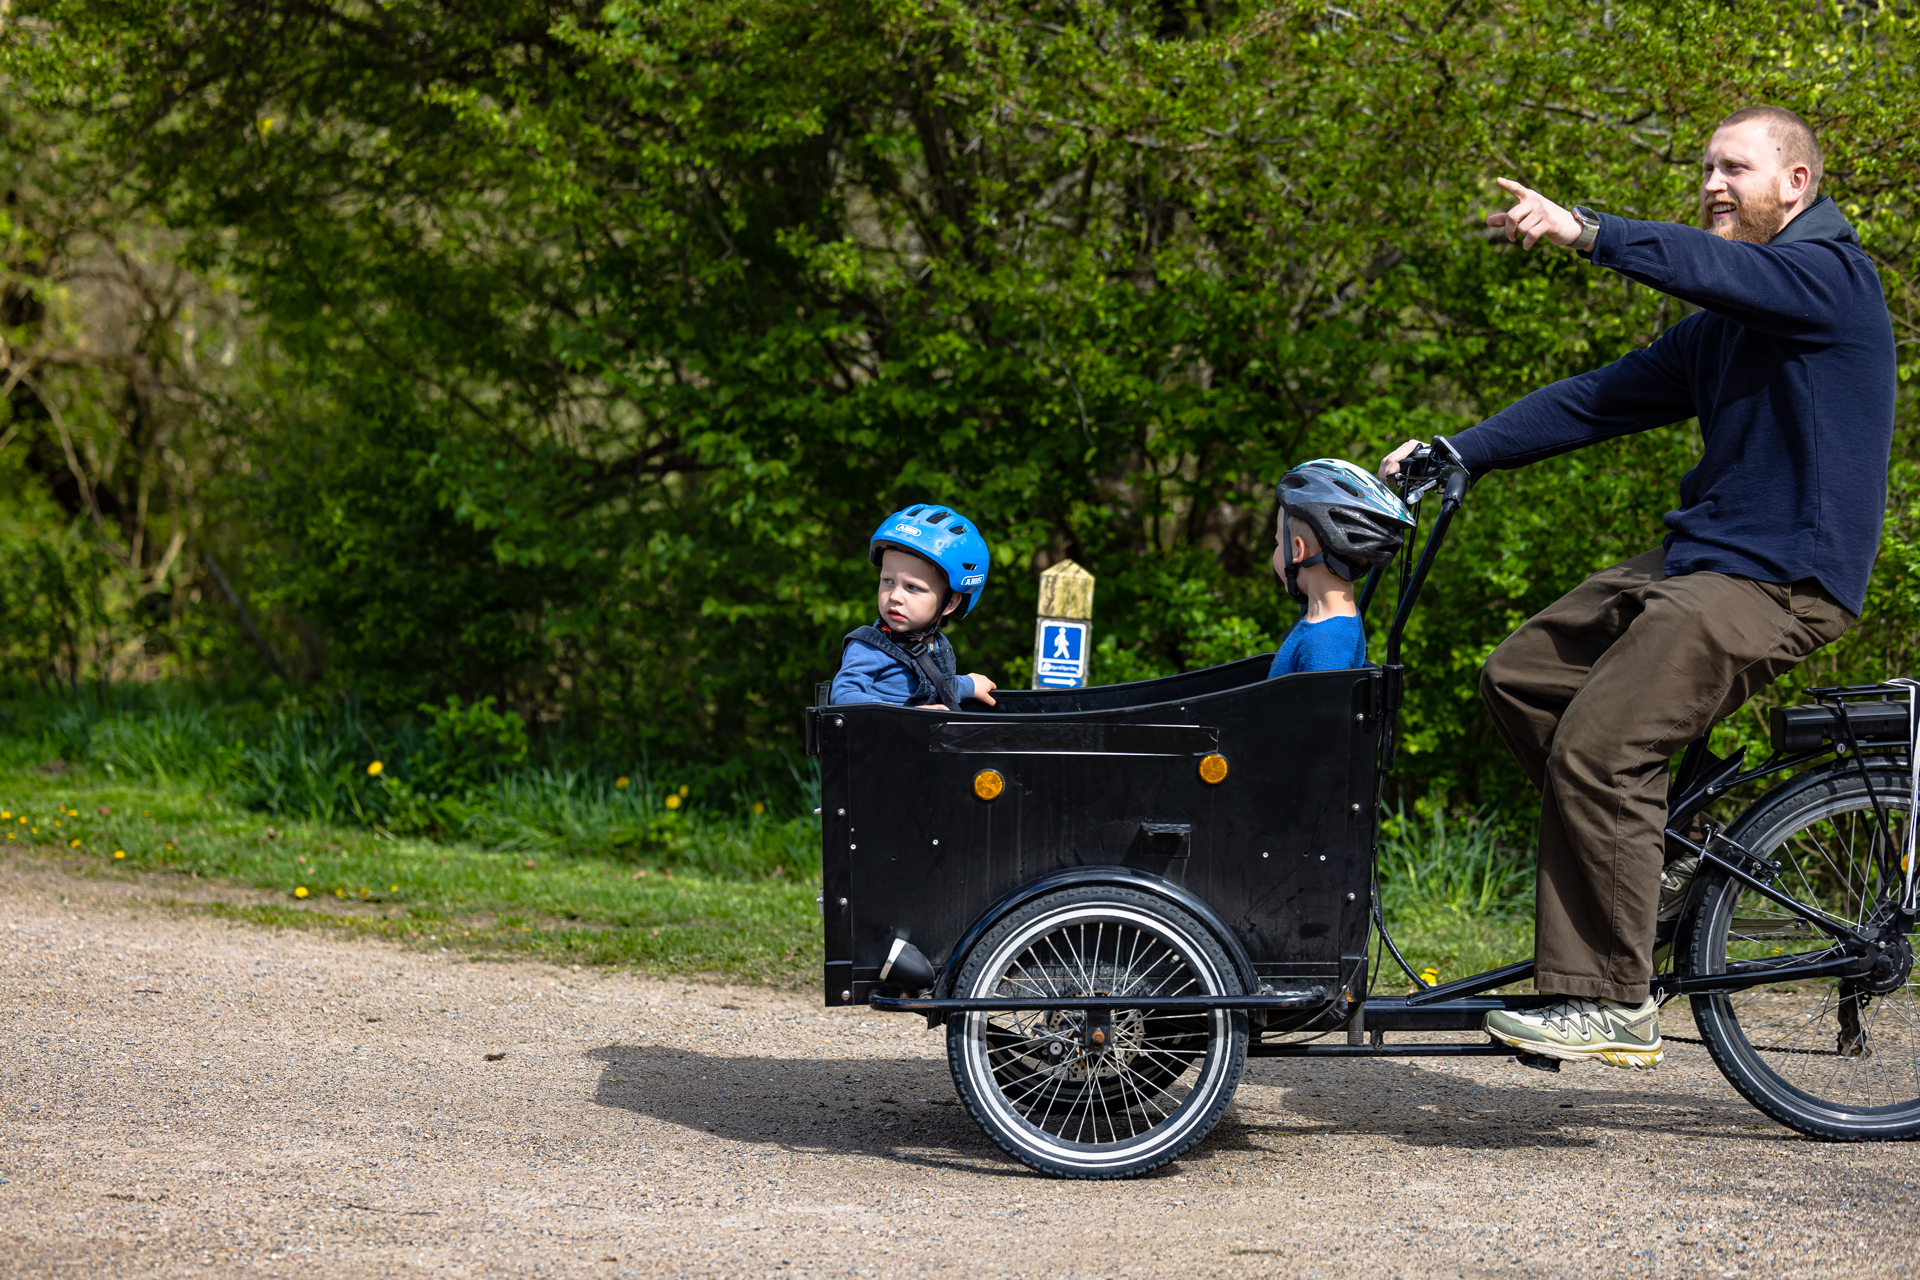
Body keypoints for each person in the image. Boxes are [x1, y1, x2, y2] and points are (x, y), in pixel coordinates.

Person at [1380, 106, 1895, 1068]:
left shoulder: (1831, 279)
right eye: (1705, 167)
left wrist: (1589, 231)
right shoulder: (1726, 330)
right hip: (1707, 561)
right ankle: (1672, 849)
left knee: (1601, 748)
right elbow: (1599, 399)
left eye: (1733, 168)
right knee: (1523, 676)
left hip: (1783, 576)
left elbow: (1719, 269)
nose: (1711, 183)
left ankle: (1609, 1000)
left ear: (1796, 184)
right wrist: (1461, 451)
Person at [829, 504, 998, 710]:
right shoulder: (870, 648)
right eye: (888, 581)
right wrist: (908, 716)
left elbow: (936, 685)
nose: (895, 596)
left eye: (912, 587)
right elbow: (843, 695)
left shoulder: (937, 644)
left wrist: (968, 686)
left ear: (951, 602)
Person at [1268, 459, 1414, 676]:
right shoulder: (1323, 626)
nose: (1276, 550)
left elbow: (1322, 708)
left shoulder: (1325, 643)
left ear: (1298, 550)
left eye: (1278, 542)